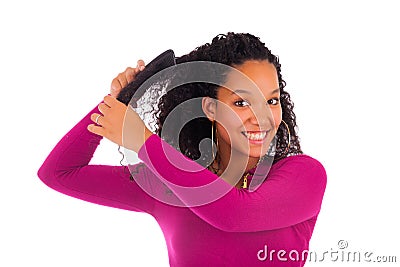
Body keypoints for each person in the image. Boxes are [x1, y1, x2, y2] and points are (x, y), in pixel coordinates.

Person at [37, 32, 327, 266]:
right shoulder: (167, 184)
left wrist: (142, 141)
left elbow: (235, 214)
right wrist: (116, 103)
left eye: (272, 101)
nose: (262, 117)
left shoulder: (304, 175)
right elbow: (59, 173)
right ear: (210, 108)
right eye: (241, 102)